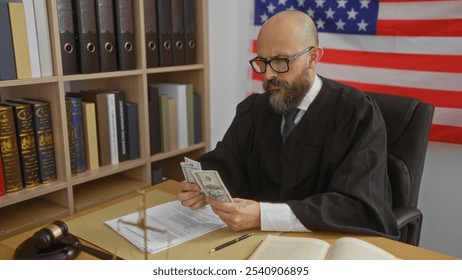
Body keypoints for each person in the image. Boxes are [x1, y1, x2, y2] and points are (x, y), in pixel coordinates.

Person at [177, 10, 400, 239]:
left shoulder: (356, 113)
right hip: (253, 238)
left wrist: (265, 215)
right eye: (262, 62)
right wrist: (200, 185)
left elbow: (358, 206)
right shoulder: (255, 108)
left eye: (281, 62)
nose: (269, 75)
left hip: (322, 243)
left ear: (313, 58)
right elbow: (227, 161)